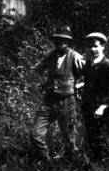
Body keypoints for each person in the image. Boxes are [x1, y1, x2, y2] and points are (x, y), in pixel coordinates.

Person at [31, 26, 85, 161]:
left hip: (67, 101)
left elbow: (91, 75)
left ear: (69, 42)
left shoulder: (75, 56)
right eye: (57, 40)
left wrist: (78, 85)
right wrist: (43, 83)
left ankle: (71, 163)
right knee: (36, 134)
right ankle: (44, 161)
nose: (60, 42)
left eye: (63, 40)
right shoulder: (51, 55)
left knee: (69, 137)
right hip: (49, 100)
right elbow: (36, 70)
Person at [81, 32, 109, 161]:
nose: (93, 50)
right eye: (90, 47)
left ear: (103, 47)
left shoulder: (108, 66)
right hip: (88, 105)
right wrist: (81, 85)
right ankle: (95, 164)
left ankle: (106, 165)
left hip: (102, 108)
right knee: (91, 135)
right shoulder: (88, 64)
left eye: (96, 46)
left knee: (103, 136)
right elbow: (92, 82)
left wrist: (103, 107)